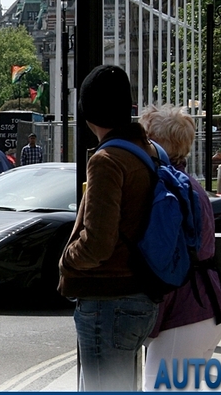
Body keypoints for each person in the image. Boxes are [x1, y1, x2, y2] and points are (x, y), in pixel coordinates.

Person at [58, 65, 159, 391]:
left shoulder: (107, 160)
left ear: (88, 111)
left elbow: (98, 243)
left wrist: (67, 259)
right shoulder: (147, 151)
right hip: (141, 297)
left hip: (108, 301)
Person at [139, 104, 221, 392]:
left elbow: (162, 258)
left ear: (154, 142)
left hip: (183, 316)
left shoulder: (166, 188)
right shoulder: (189, 185)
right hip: (206, 309)